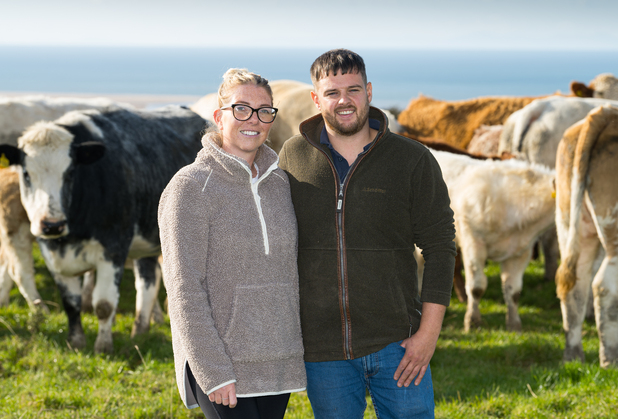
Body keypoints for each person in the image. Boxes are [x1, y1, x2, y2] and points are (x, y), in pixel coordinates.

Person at [278, 49, 456, 418]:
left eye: (353, 89)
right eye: (332, 92)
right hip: (324, 351)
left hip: (399, 343)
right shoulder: (292, 158)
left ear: (369, 92)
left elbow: (441, 247)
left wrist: (428, 335)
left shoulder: (412, 158)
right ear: (316, 98)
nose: (344, 101)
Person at [158, 68, 306, 419]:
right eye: (241, 108)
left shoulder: (281, 184)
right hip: (223, 366)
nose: (253, 120)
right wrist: (213, 370)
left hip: (276, 364)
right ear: (218, 116)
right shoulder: (190, 187)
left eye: (264, 111)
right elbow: (183, 290)